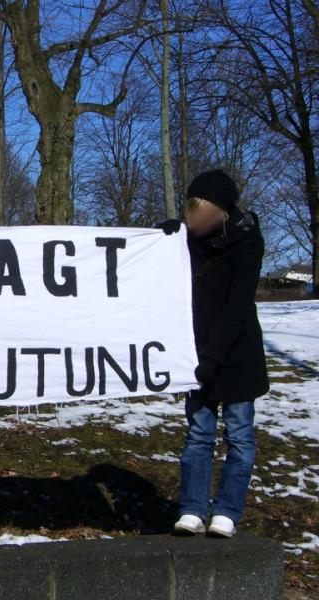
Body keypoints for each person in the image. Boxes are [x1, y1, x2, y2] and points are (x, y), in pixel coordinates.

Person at [158, 169, 269, 538]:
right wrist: (160, 237)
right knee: (198, 434)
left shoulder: (248, 242)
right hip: (196, 351)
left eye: (202, 214)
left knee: (238, 435)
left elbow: (237, 307)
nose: (196, 222)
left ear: (222, 211)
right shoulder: (188, 239)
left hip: (236, 355)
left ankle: (226, 511)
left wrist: (213, 358)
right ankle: (191, 509)